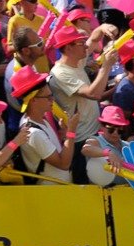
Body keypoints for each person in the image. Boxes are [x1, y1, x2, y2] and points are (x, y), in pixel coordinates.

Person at [49, 26, 118, 184]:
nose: (86, 46)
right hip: (81, 142)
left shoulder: (76, 60)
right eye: (81, 43)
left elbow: (94, 39)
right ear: (68, 47)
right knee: (89, 187)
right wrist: (106, 66)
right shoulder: (60, 73)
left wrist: (103, 28)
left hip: (92, 135)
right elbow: (93, 94)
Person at [10, 66, 78, 184]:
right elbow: (64, 164)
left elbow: (53, 147)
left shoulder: (41, 119)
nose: (52, 100)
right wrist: (71, 132)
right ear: (33, 100)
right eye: (48, 97)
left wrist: (64, 134)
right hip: (52, 194)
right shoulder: (34, 133)